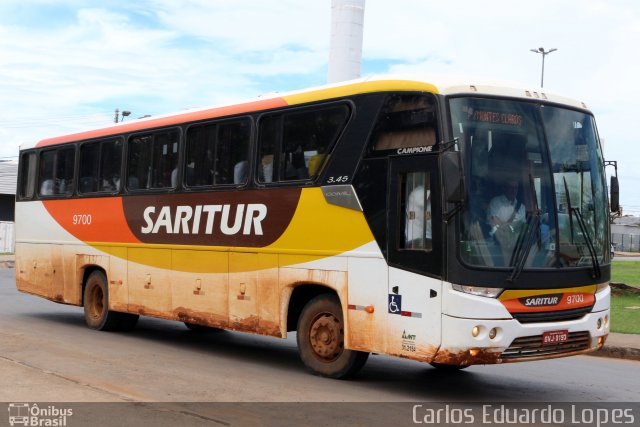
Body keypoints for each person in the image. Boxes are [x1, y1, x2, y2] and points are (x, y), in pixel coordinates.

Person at [405, 184, 431, 249]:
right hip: (416, 237)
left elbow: (428, 218)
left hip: (427, 236)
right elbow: (422, 203)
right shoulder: (418, 192)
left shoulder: (428, 203)